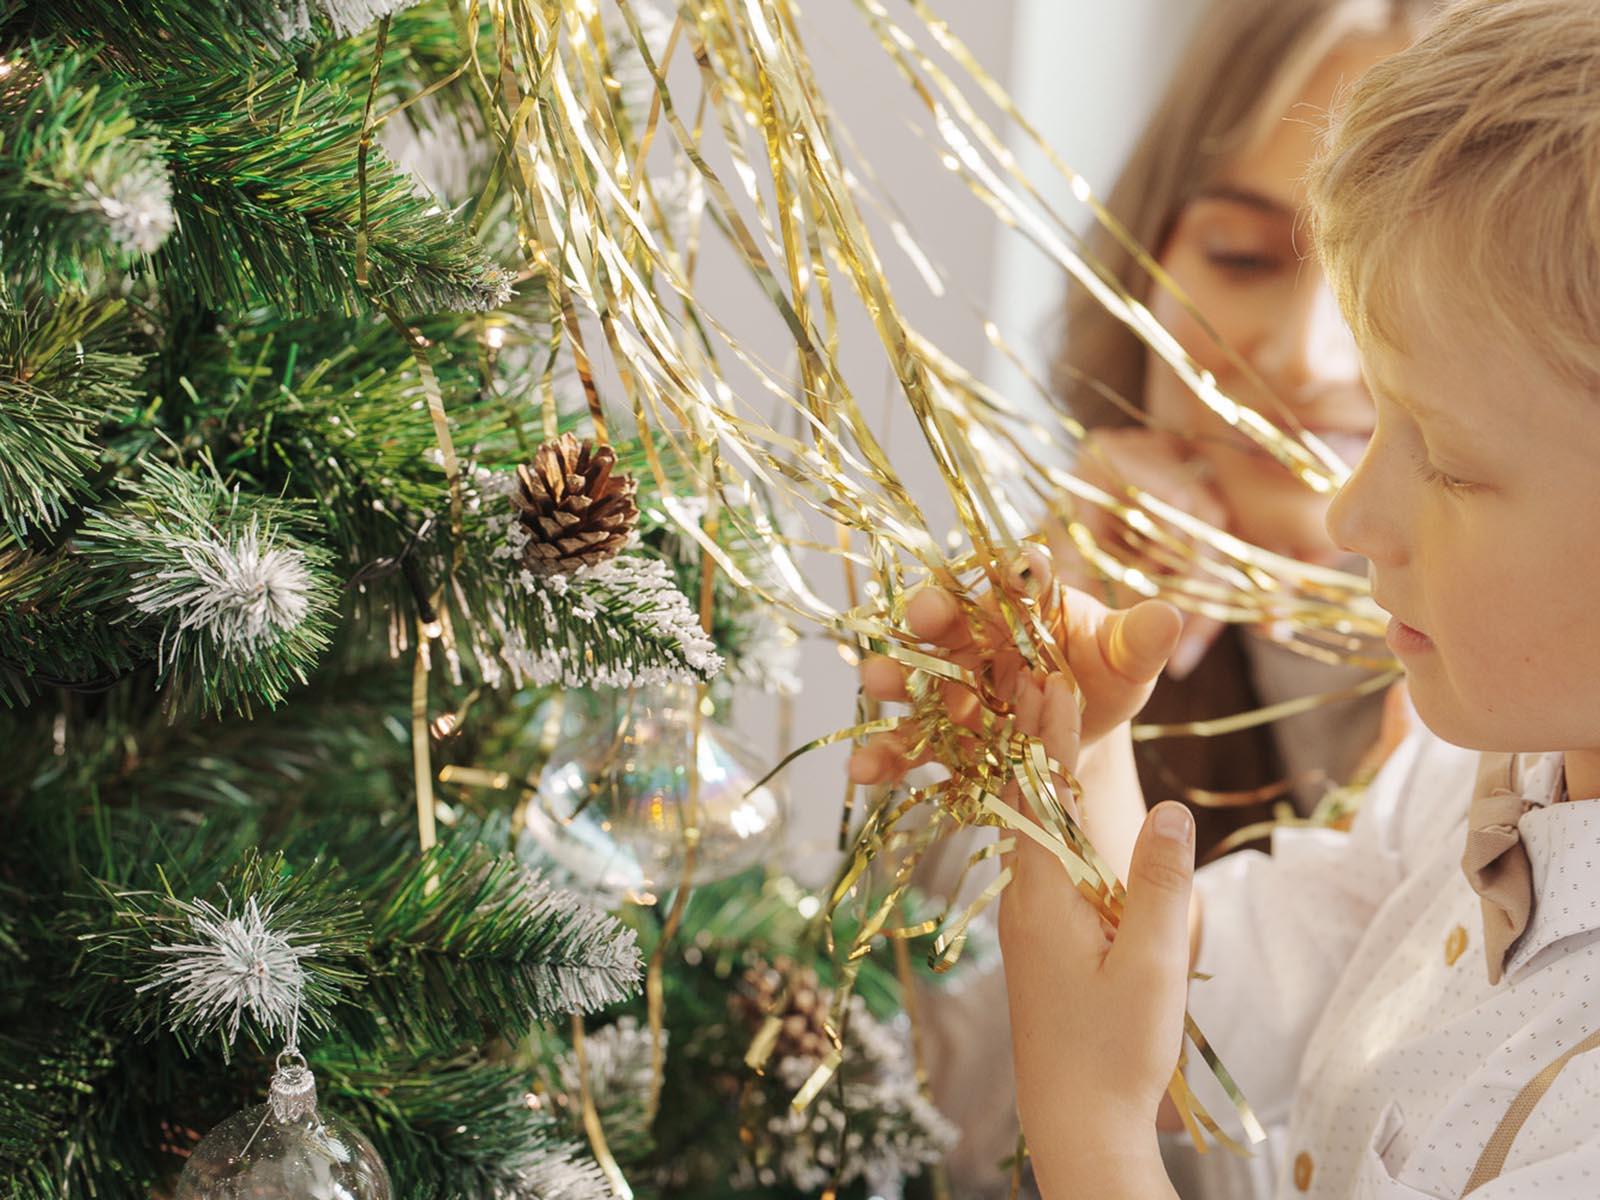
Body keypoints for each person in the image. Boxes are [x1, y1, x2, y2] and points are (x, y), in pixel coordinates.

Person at [874, 0, 1600, 1194]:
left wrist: (1094, 1135)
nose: (1350, 516)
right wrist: (1072, 755)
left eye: (1452, 462)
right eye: (1385, 415)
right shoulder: (1460, 788)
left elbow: (1127, 1082)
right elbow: (1201, 1009)